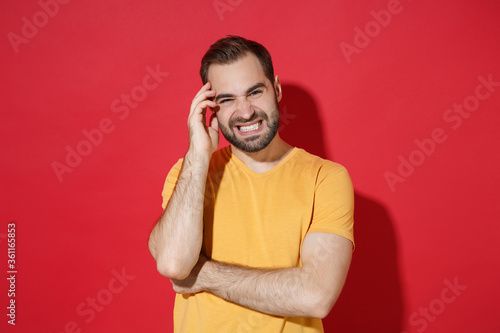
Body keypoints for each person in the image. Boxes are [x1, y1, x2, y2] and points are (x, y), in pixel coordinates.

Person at [148, 35, 354, 333]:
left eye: (255, 92)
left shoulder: (326, 177)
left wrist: (203, 274)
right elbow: (174, 265)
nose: (245, 112)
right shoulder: (191, 172)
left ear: (277, 89)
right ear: (211, 108)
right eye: (227, 99)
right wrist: (198, 154)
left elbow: (315, 296)